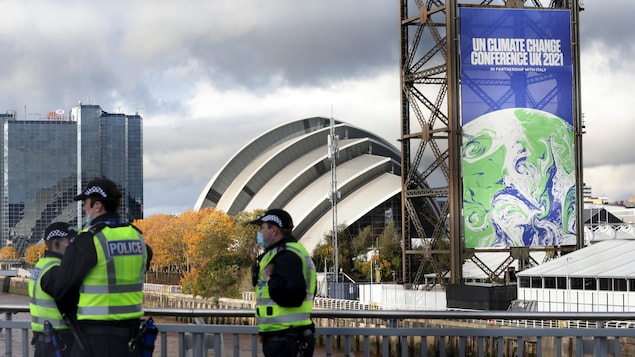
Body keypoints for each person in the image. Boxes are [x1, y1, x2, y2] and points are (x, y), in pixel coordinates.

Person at [54, 178, 152, 357]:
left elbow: (62, 290)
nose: (84, 208)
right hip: (132, 337)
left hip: (94, 339)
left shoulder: (88, 240)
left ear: (97, 205)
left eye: (85, 203)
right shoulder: (138, 237)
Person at [249, 209, 317, 357]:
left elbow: (294, 294)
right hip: (285, 336)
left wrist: (269, 278)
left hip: (287, 338)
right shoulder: (285, 252)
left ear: (274, 230)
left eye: (262, 227)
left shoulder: (287, 255)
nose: (259, 232)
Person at [29, 222, 77, 357]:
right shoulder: (55, 271)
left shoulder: (42, 265)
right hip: (58, 342)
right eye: (70, 241)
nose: (73, 245)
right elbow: (73, 301)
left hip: (46, 340)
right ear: (56, 243)